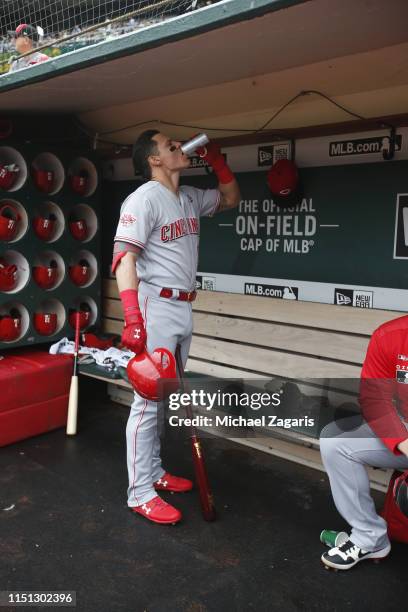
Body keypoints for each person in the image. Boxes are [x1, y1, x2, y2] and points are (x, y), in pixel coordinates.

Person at [112, 130, 241, 524]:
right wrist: (132, 318)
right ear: (153, 160)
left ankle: (153, 472)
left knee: (163, 397)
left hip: (183, 305)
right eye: (169, 145)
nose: (178, 146)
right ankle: (139, 493)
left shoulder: (187, 197)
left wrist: (218, 163)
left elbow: (231, 199)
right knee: (147, 401)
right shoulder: (142, 200)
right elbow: (125, 259)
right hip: (156, 307)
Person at [320, 315, 408, 570]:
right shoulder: (390, 335)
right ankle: (370, 538)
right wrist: (402, 441)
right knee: (336, 441)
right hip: (404, 432)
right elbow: (375, 399)